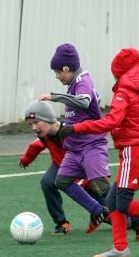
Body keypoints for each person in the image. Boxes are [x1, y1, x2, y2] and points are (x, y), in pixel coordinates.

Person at [59, 47, 139, 257]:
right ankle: (120, 248)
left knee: (124, 204)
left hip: (132, 152)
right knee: (112, 201)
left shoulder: (124, 93)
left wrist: (77, 128)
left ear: (119, 72)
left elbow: (111, 121)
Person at [19, 100, 139, 239]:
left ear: (49, 119)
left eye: (36, 122)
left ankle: (137, 217)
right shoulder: (43, 135)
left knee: (120, 217)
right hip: (62, 168)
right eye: (30, 124)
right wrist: (26, 159)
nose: (33, 127)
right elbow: (36, 145)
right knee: (47, 181)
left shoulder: (70, 130)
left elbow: (92, 146)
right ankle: (61, 223)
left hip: (86, 171)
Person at [37, 43, 115, 235]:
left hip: (91, 145)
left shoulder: (82, 81)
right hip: (76, 148)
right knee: (61, 180)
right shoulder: (74, 84)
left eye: (57, 72)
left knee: (100, 187)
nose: (56, 76)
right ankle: (98, 211)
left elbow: (84, 102)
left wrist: (55, 97)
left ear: (66, 68)